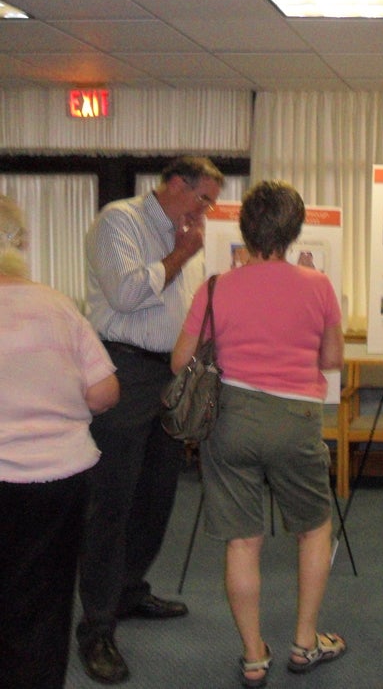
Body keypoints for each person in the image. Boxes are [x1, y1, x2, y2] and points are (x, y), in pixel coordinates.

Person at [171, 180, 346, 688]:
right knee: (313, 528)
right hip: (297, 420)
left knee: (242, 542)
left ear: (246, 229)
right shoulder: (317, 286)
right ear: (293, 231)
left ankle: (252, 656)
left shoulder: (217, 287)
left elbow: (181, 360)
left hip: (231, 420)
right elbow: (332, 359)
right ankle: (305, 641)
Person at [77, 156, 224, 684]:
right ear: (176, 185)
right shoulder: (121, 220)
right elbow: (125, 294)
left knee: (157, 494)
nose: (207, 209)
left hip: (170, 374)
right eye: (203, 197)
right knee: (111, 502)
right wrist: (183, 253)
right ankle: (95, 627)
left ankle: (129, 591)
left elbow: (184, 309)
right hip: (122, 368)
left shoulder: (190, 233)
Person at [0, 194, 120, 689]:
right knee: (48, 594)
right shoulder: (58, 306)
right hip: (59, 478)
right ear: (21, 243)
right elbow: (104, 392)